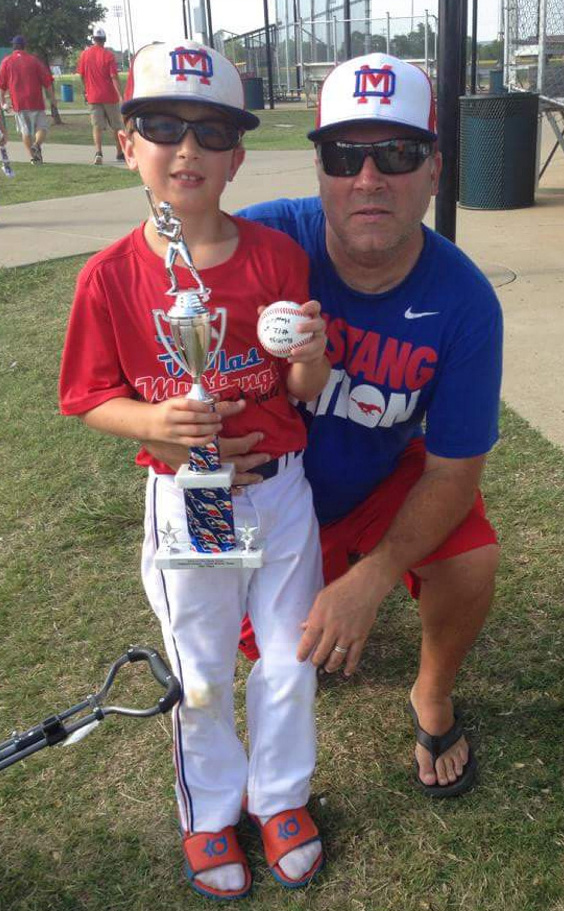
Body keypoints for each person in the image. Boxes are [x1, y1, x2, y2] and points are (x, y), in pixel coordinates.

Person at [146, 53, 503, 800]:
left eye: (398, 153)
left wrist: (369, 581)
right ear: (320, 169)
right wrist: (162, 432)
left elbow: (452, 470)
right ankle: (213, 790)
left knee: (471, 558)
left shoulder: (466, 300)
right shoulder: (259, 242)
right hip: (257, 492)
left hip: (374, 485)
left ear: (435, 169)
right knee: (223, 648)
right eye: (345, 153)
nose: (369, 178)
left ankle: (430, 696)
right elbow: (154, 314)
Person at [59, 40, 329, 901]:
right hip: (195, 498)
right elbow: (89, 396)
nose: (188, 149)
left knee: (288, 657)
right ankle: (211, 808)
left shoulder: (276, 258)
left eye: (211, 131)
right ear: (127, 142)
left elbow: (301, 386)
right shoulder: (110, 277)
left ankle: (280, 796)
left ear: (238, 156)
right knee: (205, 665)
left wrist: (312, 359)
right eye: (163, 125)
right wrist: (154, 421)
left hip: (279, 489)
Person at [0, 35, 55, 165]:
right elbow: (47, 82)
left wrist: (2, 103)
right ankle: (36, 145)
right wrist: (52, 99)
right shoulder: (34, 61)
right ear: (25, 46)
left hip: (19, 103)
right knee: (42, 128)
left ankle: (33, 158)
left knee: (25, 131)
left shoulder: (6, 62)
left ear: (13, 46)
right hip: (36, 101)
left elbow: (1, 86)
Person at [76, 27, 124, 165]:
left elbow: (81, 75)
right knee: (117, 126)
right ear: (104, 40)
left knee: (96, 126)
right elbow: (114, 77)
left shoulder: (84, 55)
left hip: (93, 96)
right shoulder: (108, 55)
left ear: (94, 39)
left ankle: (98, 152)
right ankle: (119, 152)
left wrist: (86, 90)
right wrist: (120, 95)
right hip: (109, 96)